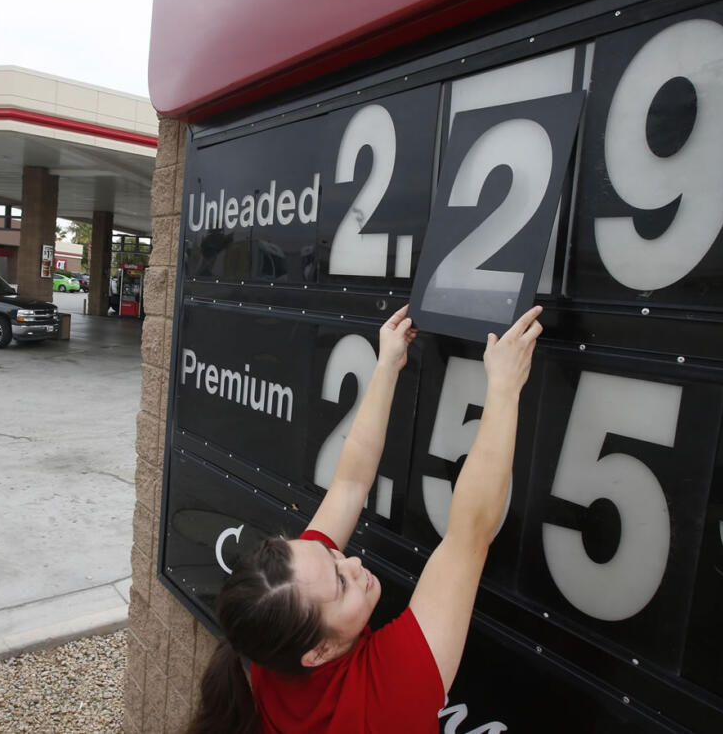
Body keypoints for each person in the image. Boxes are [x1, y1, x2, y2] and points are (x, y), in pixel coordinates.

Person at [184, 304, 544, 734]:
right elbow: (469, 536)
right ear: (317, 653)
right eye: (340, 584)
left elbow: (350, 483)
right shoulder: (384, 703)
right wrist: (504, 388)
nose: (351, 563)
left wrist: (387, 363)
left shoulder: (276, 641)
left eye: (330, 556)